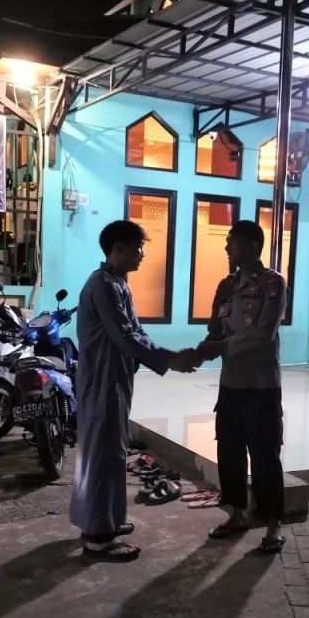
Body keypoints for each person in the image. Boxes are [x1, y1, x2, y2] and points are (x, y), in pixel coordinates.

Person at [69, 220, 199, 562]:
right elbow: (125, 337)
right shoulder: (103, 285)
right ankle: (98, 538)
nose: (142, 254)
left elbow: (136, 332)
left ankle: (102, 520)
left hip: (114, 380)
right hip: (101, 381)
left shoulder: (118, 284)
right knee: (102, 456)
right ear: (119, 249)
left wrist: (168, 356)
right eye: (138, 248)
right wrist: (169, 359)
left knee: (111, 452)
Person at [196, 219, 289, 554]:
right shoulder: (226, 285)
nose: (227, 248)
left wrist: (219, 347)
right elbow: (215, 328)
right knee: (229, 450)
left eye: (232, 242)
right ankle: (237, 514)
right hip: (231, 384)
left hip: (261, 385)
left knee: (265, 455)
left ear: (252, 246)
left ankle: (273, 524)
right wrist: (204, 347)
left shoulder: (272, 283)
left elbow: (263, 333)